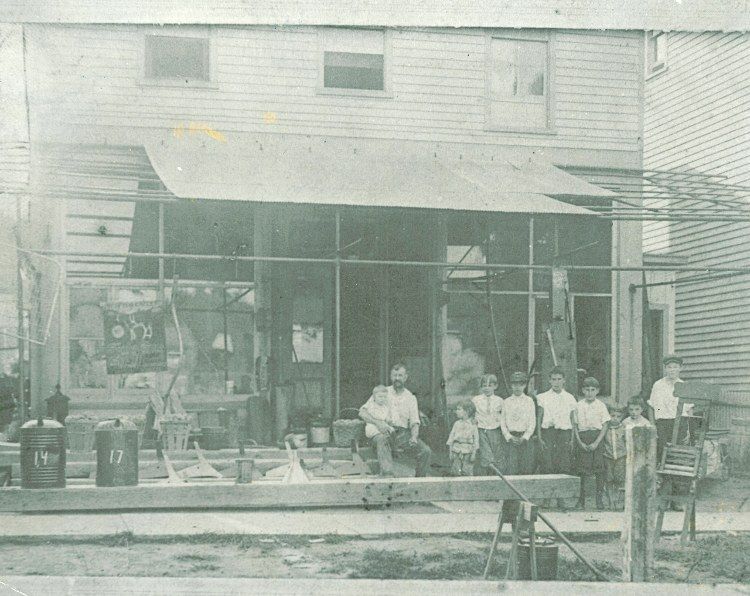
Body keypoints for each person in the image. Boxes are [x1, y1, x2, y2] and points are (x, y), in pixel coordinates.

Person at [359, 363, 432, 477]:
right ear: (390, 377)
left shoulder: (411, 398)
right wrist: (379, 423)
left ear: (406, 377)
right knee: (383, 439)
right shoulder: (382, 392)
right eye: (394, 375)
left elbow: (414, 422)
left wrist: (414, 437)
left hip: (402, 434)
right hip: (381, 432)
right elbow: (362, 412)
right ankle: (387, 476)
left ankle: (419, 481)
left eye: (400, 375)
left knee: (425, 451)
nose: (397, 378)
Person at [536, 366, 578, 509]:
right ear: (549, 380)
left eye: (559, 379)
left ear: (564, 380)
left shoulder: (570, 398)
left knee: (563, 465)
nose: (556, 382)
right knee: (548, 465)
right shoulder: (542, 397)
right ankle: (547, 498)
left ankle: (561, 499)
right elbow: (539, 418)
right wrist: (540, 437)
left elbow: (572, 420)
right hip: (548, 433)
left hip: (564, 433)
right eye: (553, 379)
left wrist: (572, 439)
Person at [572, 377, 610, 510]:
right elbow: (575, 425)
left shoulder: (601, 405)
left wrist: (596, 442)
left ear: (597, 391)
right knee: (582, 470)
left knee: (599, 470)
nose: (589, 393)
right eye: (587, 390)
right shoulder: (578, 405)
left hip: (596, 437)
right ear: (582, 390)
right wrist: (580, 442)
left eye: (592, 390)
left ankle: (599, 499)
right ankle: (581, 500)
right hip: (582, 438)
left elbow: (605, 425)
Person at [648, 354, 686, 460]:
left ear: (680, 368)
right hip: (662, 424)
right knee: (662, 451)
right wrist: (653, 426)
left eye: (675, 367)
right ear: (665, 369)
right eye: (669, 367)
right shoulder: (658, 385)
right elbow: (651, 406)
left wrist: (688, 429)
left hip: (679, 424)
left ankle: (676, 476)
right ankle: (662, 476)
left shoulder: (683, 385)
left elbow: (688, 409)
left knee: (678, 453)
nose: (672, 370)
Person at [499, 371, 536, 475]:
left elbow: (532, 421)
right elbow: (503, 422)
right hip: (511, 439)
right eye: (515, 384)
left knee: (526, 467)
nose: (517, 387)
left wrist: (525, 437)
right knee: (512, 468)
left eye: (521, 384)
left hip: (525, 439)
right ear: (511, 385)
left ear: (525, 385)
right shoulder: (506, 402)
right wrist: (509, 437)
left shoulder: (529, 401)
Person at [471, 374, 503, 475]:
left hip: (495, 430)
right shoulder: (476, 400)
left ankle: (493, 477)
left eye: (490, 385)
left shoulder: (500, 400)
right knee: (486, 455)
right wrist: (473, 420)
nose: (487, 388)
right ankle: (484, 476)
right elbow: (471, 413)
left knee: (496, 455)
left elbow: (503, 415)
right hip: (481, 430)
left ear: (495, 386)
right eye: (484, 385)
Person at [602, 406, 627, 510]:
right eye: (612, 416)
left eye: (618, 416)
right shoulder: (605, 428)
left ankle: (618, 501)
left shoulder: (624, 428)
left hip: (621, 457)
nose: (615, 418)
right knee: (609, 479)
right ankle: (611, 501)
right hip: (608, 456)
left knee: (619, 479)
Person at [446, 401, 480, 476]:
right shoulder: (456, 424)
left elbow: (476, 440)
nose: (456, 412)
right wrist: (450, 452)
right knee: (455, 472)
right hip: (456, 451)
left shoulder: (473, 425)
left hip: (468, 452)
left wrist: (474, 454)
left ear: (467, 411)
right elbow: (451, 439)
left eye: (459, 409)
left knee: (467, 471)